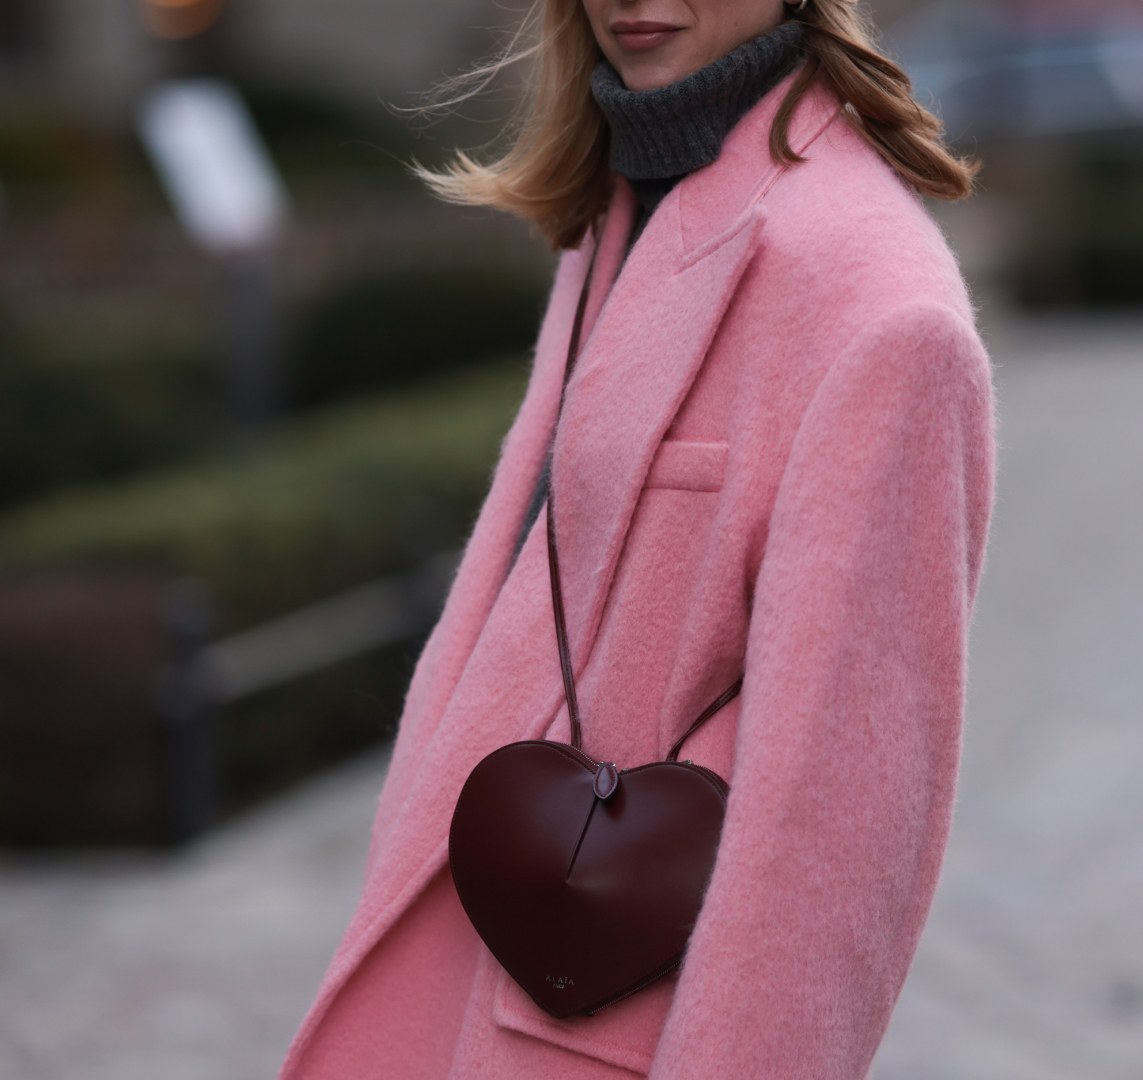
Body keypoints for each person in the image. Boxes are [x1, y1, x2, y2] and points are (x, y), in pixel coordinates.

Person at [278, 0, 994, 1076]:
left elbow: (834, 846)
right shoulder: (625, 206)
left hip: (605, 1030)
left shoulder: (880, 310)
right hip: (474, 975)